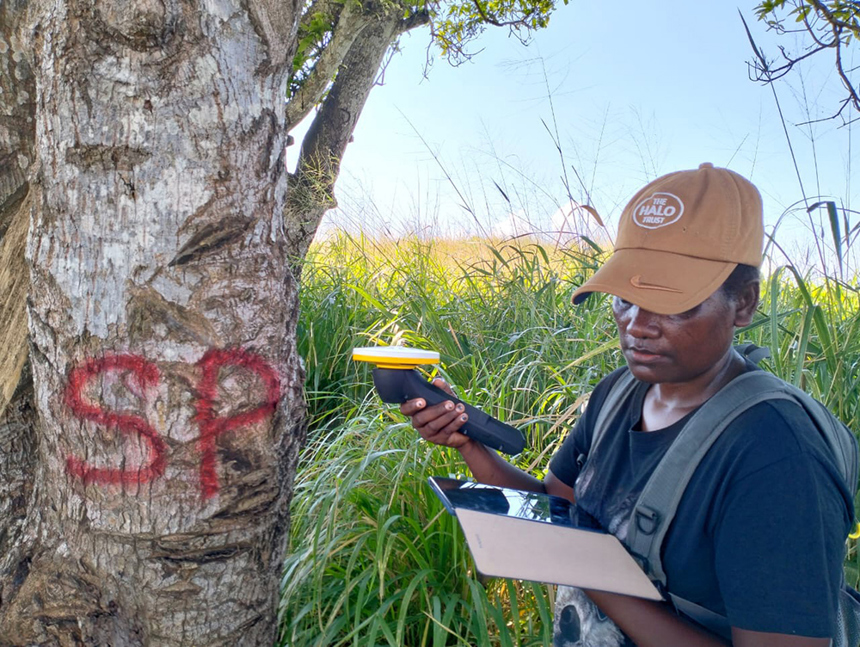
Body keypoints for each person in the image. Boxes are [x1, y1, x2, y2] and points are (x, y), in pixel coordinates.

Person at [400, 163, 855, 646]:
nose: (636, 325)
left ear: (743, 303)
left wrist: (589, 572)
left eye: (673, 303)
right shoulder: (619, 393)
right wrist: (470, 444)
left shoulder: (775, 457)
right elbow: (559, 509)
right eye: (624, 298)